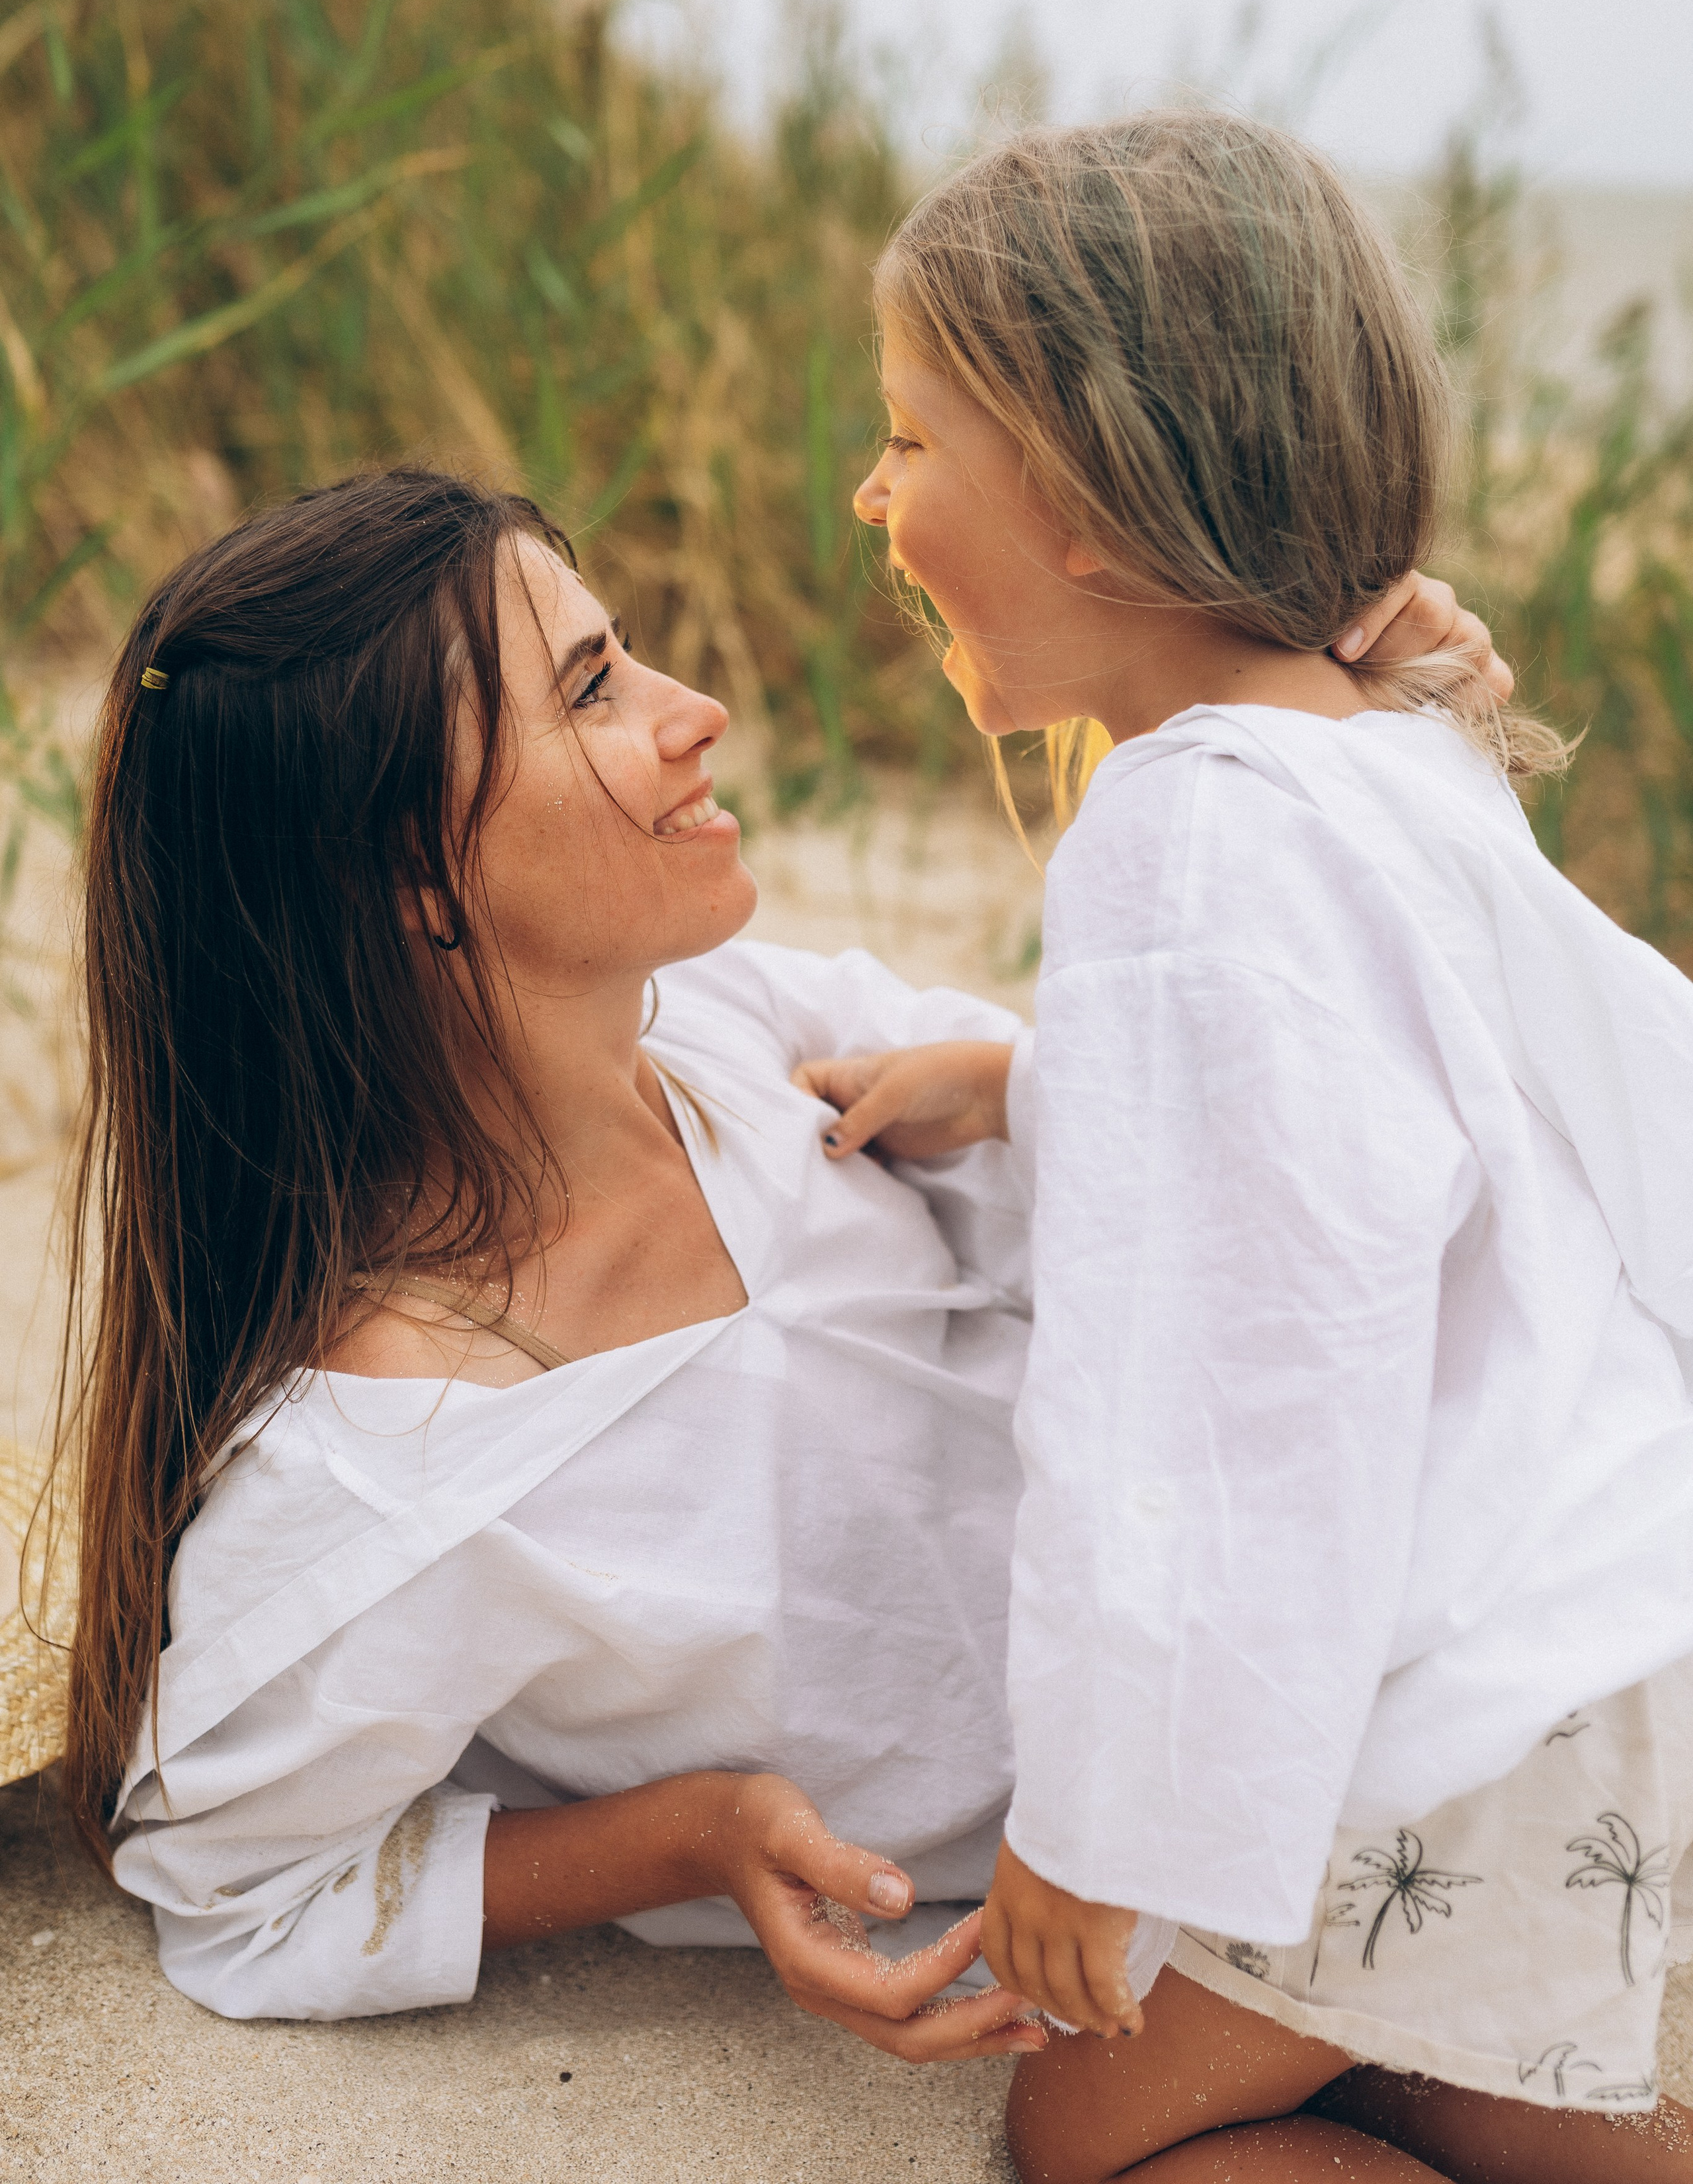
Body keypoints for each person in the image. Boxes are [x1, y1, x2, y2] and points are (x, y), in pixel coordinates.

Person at [50, 462, 1478, 2057]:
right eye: (592, 691)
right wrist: (694, 1836)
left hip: (1344, 1665)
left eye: (623, 652)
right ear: (408, 879)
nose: (694, 708)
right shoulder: (389, 1470)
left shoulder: (742, 1033)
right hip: (1147, 1882)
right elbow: (240, 1889)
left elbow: (1224, 1140)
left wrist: (1359, 755)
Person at [827, 112, 1693, 2180]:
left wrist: (1099, 1824)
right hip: (1602, 1628)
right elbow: (1398, 1111)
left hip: (1459, 1719)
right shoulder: (1364, 748)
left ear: (1097, 514)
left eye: (913, 442)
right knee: (1493, 2068)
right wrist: (1040, 1083)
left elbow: (1219, 1394)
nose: (870, 494)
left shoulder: (1180, 836)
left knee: (1089, 2131)